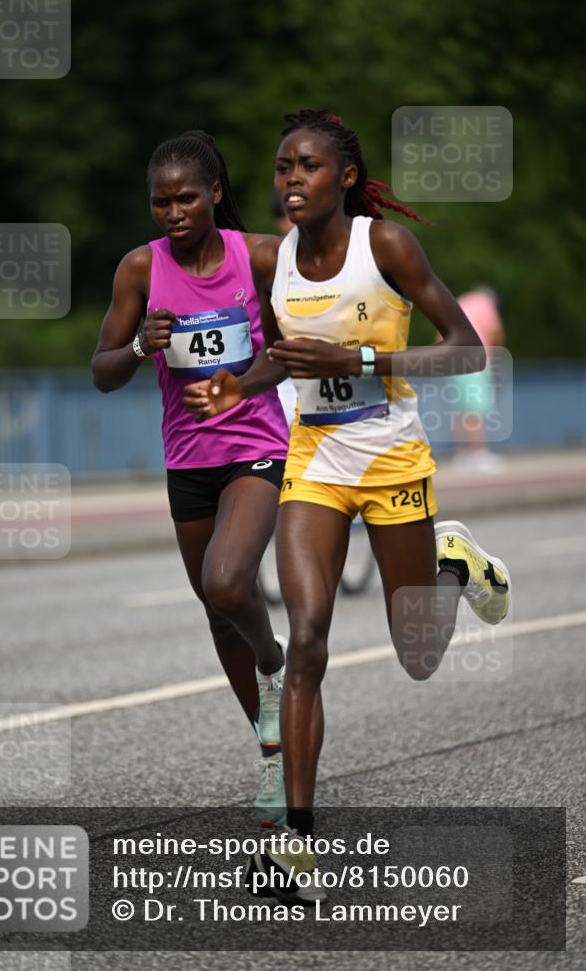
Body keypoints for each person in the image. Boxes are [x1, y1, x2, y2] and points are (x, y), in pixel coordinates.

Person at [184, 109, 512, 903]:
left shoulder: (385, 247)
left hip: (393, 455)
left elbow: (466, 347)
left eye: (306, 167)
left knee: (419, 658)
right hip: (316, 460)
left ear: (347, 180)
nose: (290, 181)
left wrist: (360, 355)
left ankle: (452, 563)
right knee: (307, 639)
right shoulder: (277, 260)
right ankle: (295, 845)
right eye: (281, 168)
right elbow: (282, 357)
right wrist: (236, 385)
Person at [91, 130, 291, 820]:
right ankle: (274, 760)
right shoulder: (138, 271)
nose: (172, 213)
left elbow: (289, 354)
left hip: (255, 448)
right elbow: (102, 372)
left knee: (227, 581)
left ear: (213, 193)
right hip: (188, 460)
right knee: (215, 615)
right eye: (159, 202)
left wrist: (242, 383)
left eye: (185, 198)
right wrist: (137, 345)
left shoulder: (258, 256)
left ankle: (273, 661)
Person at [450, 285, 507, 471]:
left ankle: (463, 455)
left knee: (463, 410)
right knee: (476, 410)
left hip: (454, 361)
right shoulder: (486, 303)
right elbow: (496, 332)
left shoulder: (461, 300)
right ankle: (479, 454)